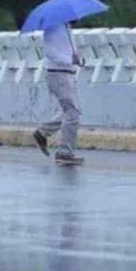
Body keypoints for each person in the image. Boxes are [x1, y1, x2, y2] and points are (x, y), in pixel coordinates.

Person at [33, 22, 85, 164]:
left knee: (70, 111)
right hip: (59, 74)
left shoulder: (66, 28)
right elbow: (50, 52)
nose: (79, 18)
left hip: (66, 74)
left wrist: (77, 60)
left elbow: (68, 52)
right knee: (72, 113)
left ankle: (42, 132)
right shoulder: (53, 27)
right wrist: (69, 60)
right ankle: (65, 153)